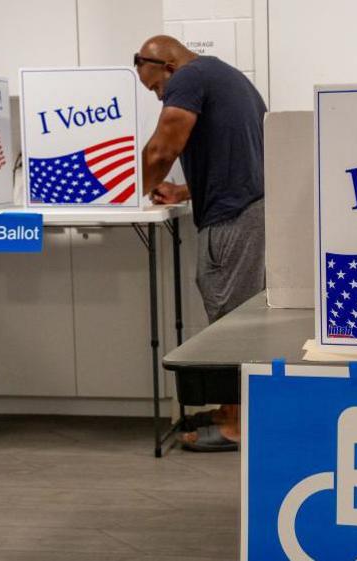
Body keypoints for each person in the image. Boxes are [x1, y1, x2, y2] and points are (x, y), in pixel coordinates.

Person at [134, 35, 266, 452]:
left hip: (233, 220)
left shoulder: (188, 79)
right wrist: (184, 192)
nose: (159, 96)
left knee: (230, 322)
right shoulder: (229, 77)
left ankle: (236, 426)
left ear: (167, 65)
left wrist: (127, 192)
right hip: (247, 210)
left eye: (155, 88)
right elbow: (238, 161)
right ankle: (232, 411)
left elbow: (161, 150)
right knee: (232, 317)